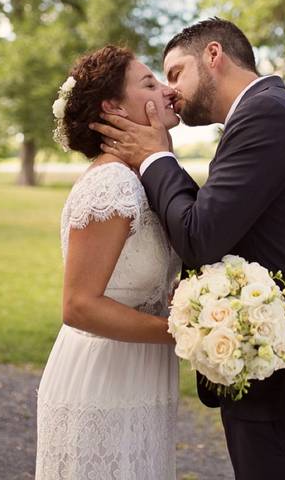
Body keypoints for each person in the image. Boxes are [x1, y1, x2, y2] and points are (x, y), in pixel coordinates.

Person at [92, 17, 285, 480]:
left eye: (174, 73)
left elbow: (200, 234)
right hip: (275, 370)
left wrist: (156, 157)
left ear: (213, 55)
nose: (169, 92)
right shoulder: (267, 112)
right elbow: (220, 222)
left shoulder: (266, 115)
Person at [35, 45, 183, 479]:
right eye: (149, 83)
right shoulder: (113, 184)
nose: (167, 89)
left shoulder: (145, 177)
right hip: (102, 380)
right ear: (113, 107)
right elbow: (79, 305)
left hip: (142, 378)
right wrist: (183, 332)